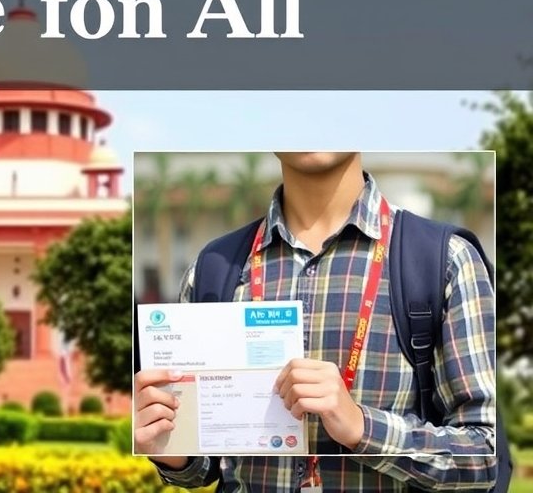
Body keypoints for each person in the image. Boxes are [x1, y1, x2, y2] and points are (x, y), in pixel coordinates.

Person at [134, 152, 497, 492]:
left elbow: (484, 455)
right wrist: (169, 448)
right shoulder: (213, 268)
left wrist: (362, 427)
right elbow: (203, 468)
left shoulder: (443, 259)